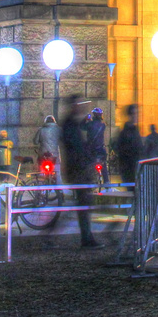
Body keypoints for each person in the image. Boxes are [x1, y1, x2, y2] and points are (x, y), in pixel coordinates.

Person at [54, 97, 100, 248]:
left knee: (82, 203)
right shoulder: (70, 125)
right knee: (83, 203)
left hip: (77, 168)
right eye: (79, 104)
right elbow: (76, 148)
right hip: (78, 169)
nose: (82, 108)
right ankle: (86, 238)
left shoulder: (71, 124)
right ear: (74, 106)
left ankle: (86, 237)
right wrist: (89, 158)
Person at [113, 105, 142, 186]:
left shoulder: (135, 130)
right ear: (129, 115)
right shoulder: (126, 132)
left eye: (137, 113)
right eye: (134, 113)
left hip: (136, 169)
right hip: (130, 170)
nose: (136, 116)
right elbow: (123, 150)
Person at [88, 108, 108, 187]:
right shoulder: (103, 125)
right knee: (103, 165)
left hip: (92, 149)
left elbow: (82, 127)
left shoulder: (90, 124)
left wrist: (85, 119)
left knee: (89, 164)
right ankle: (106, 181)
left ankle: (90, 180)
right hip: (101, 149)